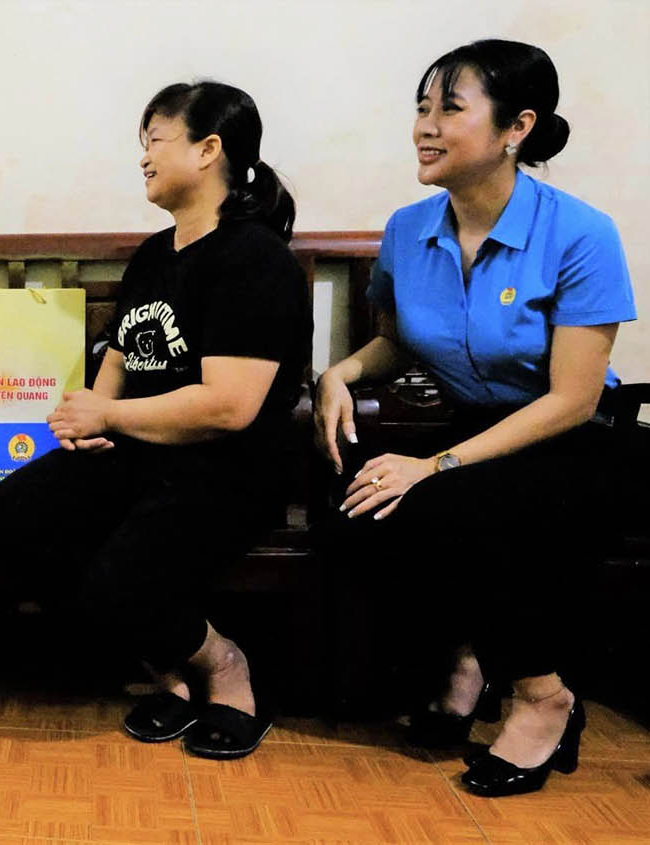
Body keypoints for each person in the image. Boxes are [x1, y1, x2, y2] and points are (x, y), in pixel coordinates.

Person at [313, 40, 636, 797]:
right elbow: (397, 341)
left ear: (516, 126)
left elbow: (574, 399)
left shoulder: (581, 234)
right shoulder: (408, 229)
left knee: (453, 505)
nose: (424, 127)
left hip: (574, 440)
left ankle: (542, 694)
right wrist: (341, 371)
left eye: (449, 109)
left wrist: (435, 465)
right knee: (348, 508)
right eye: (421, 108)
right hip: (471, 428)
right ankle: (469, 656)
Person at [0, 81, 310, 760]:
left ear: (208, 149)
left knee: (119, 574)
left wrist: (111, 412)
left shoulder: (255, 258)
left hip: (230, 459)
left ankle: (225, 665)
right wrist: (89, 418)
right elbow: (123, 354)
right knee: (10, 521)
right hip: (139, 447)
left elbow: (231, 405)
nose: (144, 157)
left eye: (156, 138)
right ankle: (169, 669)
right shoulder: (155, 255)